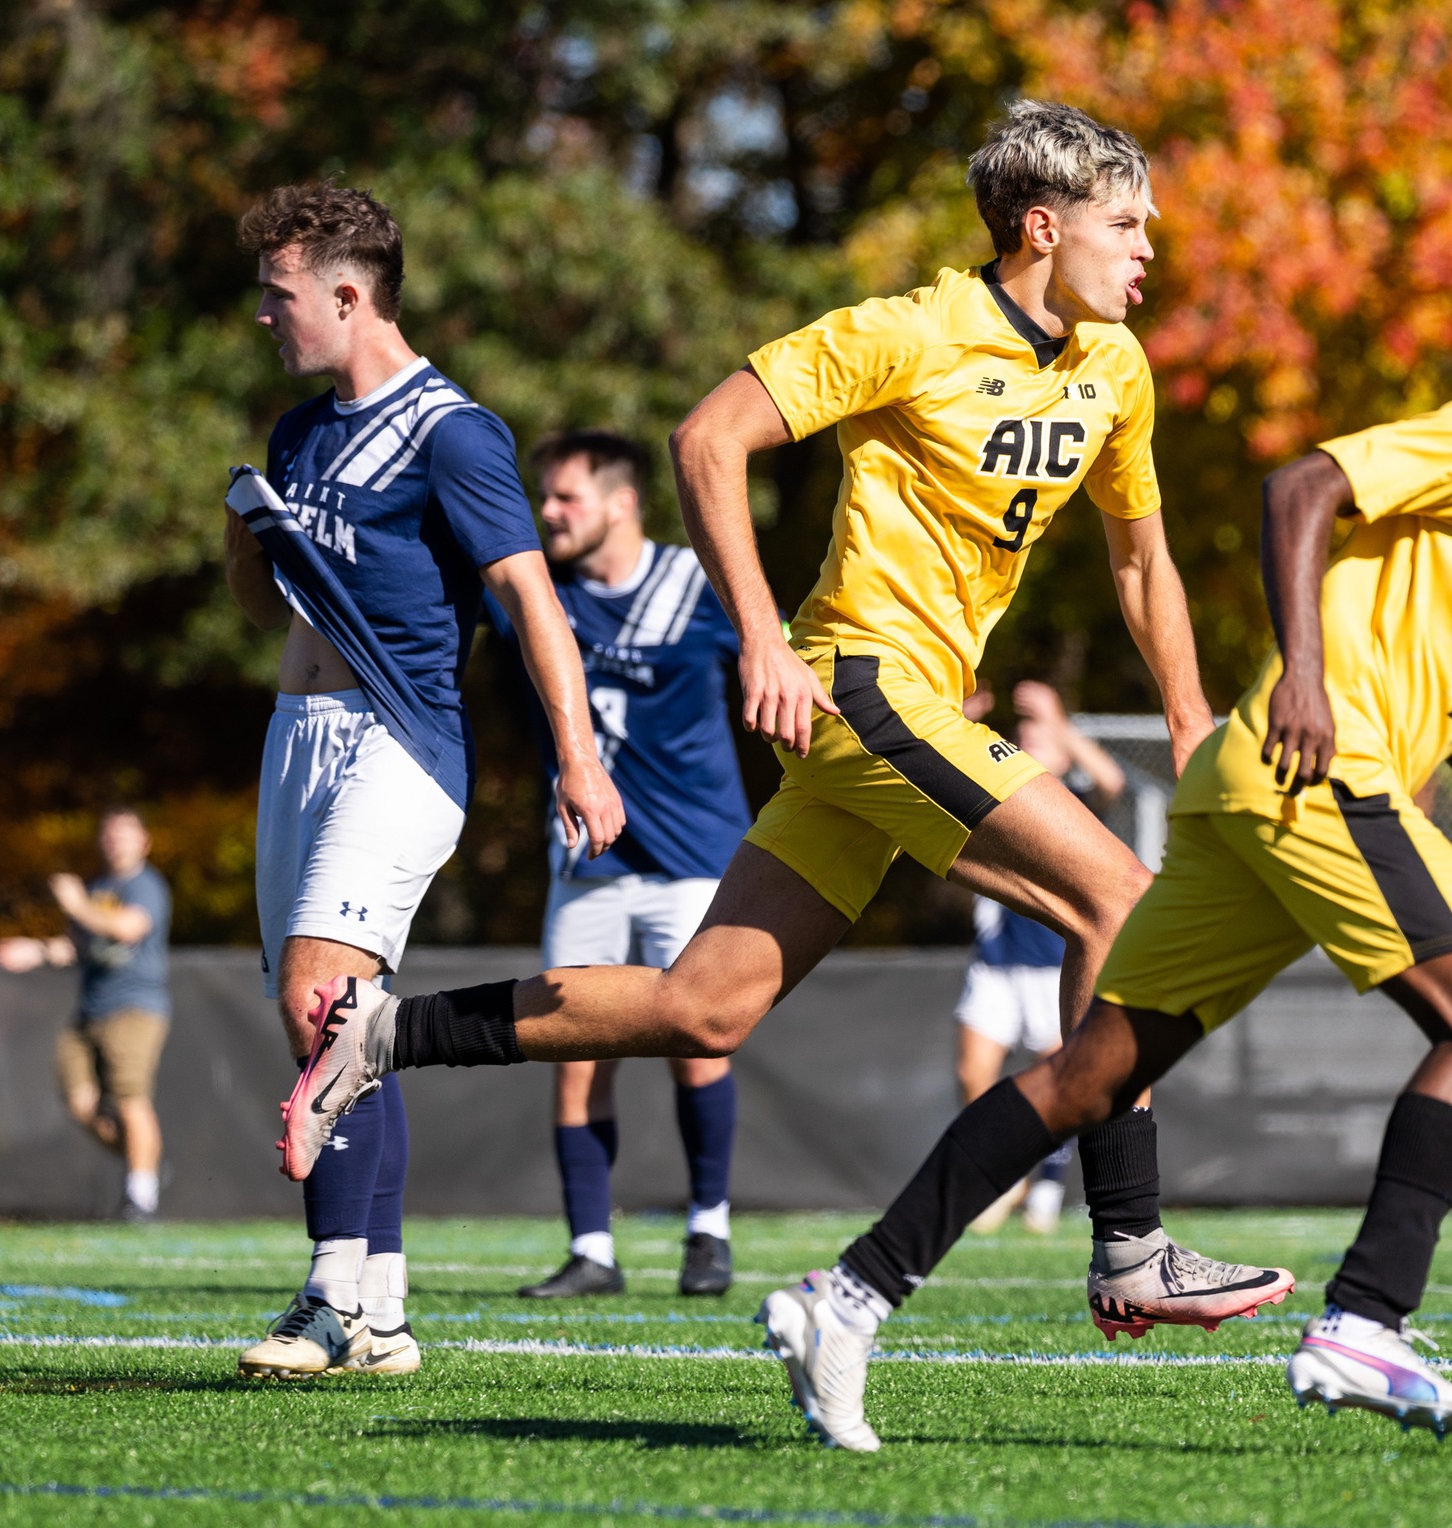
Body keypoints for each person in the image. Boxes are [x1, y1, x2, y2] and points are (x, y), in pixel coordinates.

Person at [278, 101, 1293, 1447]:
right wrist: (760, 630)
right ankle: (1125, 1241)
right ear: (1041, 228)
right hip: (859, 681)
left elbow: (1138, 558)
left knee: (703, 1009)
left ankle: (382, 1032)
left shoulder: (1113, 366)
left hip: (895, 716)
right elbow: (708, 438)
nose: (1148, 248)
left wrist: (1185, 717)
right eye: (1126, 223)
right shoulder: (910, 328)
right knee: (1121, 900)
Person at [775, 233, 1452, 1447]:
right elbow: (1301, 487)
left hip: (1258, 791)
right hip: (1319, 773)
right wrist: (1305, 683)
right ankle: (1364, 1323)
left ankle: (843, 1297)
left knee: (1089, 1075)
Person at [221, 181, 622, 1380]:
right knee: (340, 1025)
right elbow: (266, 612)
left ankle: (329, 1296)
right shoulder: (299, 432)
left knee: (319, 1000)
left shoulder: (453, 430)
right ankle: (383, 1313)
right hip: (299, 739)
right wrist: (244, 539)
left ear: (348, 296)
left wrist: (579, 755)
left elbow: (529, 602)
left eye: (278, 297)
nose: (264, 319)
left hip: (402, 739)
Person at [496, 430, 750, 1301]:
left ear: (621, 501)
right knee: (574, 1055)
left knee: (699, 1042)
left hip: (694, 857)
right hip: (588, 861)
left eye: (567, 497)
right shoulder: (535, 593)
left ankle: (707, 1232)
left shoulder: (697, 582)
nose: (550, 513)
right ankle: (592, 1248)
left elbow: (782, 657)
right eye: (547, 498)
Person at [955, 681, 1123, 1236]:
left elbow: (1111, 782)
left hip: (1053, 964)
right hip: (995, 963)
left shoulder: (1069, 792)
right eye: (1021, 733)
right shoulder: (997, 787)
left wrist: (1061, 723)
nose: (1027, 739)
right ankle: (1004, 1177)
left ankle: (1046, 1184)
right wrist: (955, 718)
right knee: (972, 1075)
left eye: (1038, 734)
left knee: (1056, 1083)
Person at [0, 806, 173, 1220]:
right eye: (110, 833)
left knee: (131, 1100)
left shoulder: (145, 885)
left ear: (144, 841)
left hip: (135, 1007)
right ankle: (146, 1163)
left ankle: (140, 1197)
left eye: (126, 834)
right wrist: (35, 949)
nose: (116, 841)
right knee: (80, 1101)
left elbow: (127, 929)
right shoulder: (97, 887)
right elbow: (77, 947)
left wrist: (76, 905)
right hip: (90, 1008)